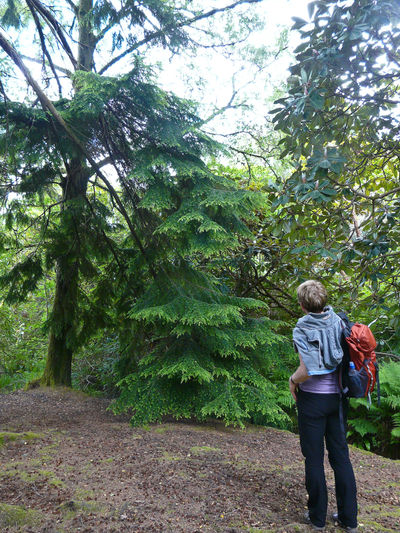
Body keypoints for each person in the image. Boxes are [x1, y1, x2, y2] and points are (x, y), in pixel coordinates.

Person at [289, 280, 358, 532]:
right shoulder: (338, 321)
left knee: (314, 459)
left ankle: (317, 518)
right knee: (341, 458)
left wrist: (292, 381)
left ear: (302, 304)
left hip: (312, 402)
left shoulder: (301, 327)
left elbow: (306, 370)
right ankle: (349, 520)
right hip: (338, 399)